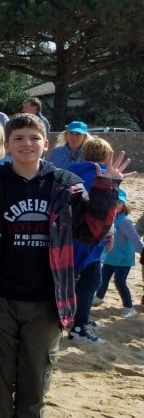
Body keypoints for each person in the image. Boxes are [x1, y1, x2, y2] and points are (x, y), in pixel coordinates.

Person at [0, 113, 128, 418]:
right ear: (7, 144)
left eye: (33, 137)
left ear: (45, 143)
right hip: (0, 302)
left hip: (49, 302)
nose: (26, 144)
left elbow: (91, 231)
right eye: (18, 137)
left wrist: (107, 187)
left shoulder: (65, 185)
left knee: (35, 385)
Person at [67, 138, 116, 343]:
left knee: (74, 278)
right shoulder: (104, 174)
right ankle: (80, 326)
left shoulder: (72, 170)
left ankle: (79, 316)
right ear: (107, 156)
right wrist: (110, 234)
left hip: (71, 234)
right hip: (91, 235)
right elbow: (106, 210)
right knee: (91, 280)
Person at [95, 189, 143, 318]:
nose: (116, 205)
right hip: (110, 256)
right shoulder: (109, 218)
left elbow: (135, 238)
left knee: (120, 282)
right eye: (114, 202)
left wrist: (142, 251)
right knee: (103, 278)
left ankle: (129, 307)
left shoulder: (124, 221)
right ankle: (99, 297)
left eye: (119, 202)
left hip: (123, 259)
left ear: (124, 205)